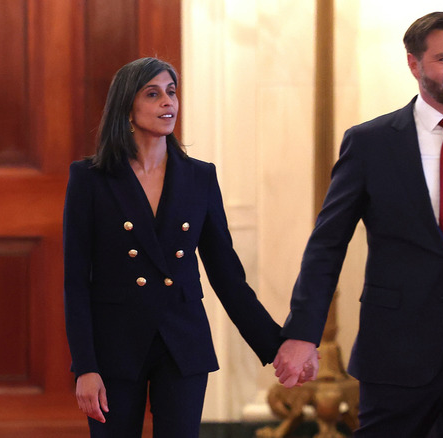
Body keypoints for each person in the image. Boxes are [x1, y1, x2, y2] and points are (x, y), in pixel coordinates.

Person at [272, 12, 443, 437]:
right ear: (413, 64)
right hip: (396, 350)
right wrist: (304, 333)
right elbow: (328, 244)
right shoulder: (370, 143)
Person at [63, 57, 295, 437]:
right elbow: (76, 282)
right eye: (153, 94)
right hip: (114, 348)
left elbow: (227, 277)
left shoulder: (199, 177)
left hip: (182, 344)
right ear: (127, 106)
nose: (167, 103)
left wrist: (275, 345)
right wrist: (85, 367)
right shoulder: (90, 179)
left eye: (171, 92)